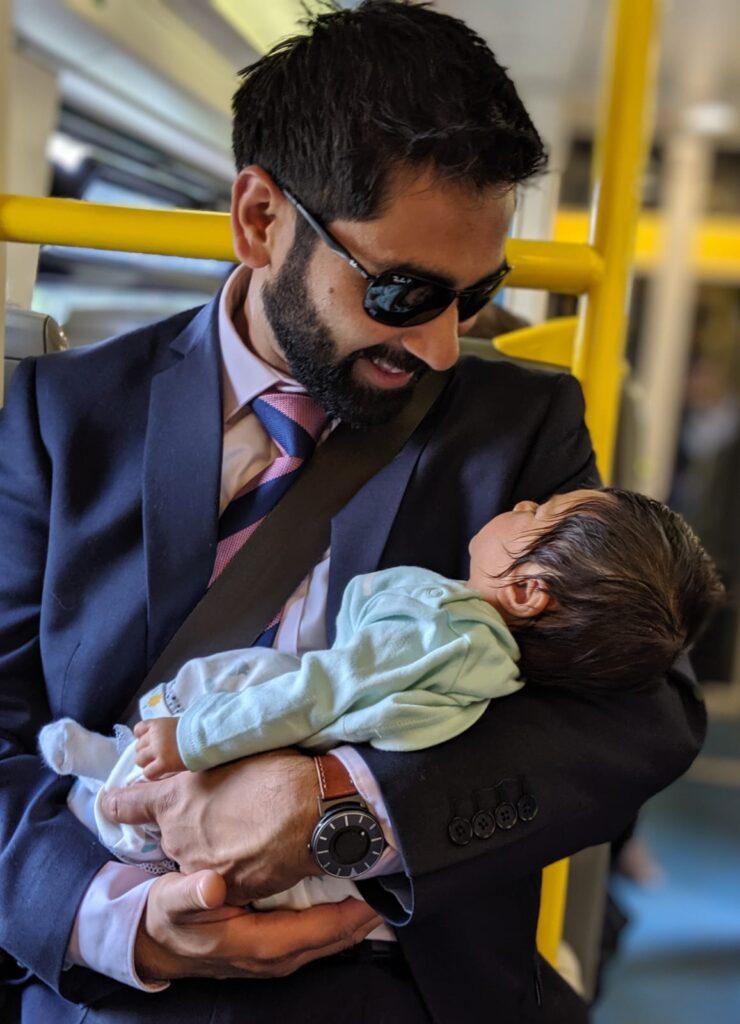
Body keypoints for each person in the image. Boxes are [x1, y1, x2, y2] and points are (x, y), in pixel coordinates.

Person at [0, 3, 708, 1022]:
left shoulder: (518, 422)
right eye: (402, 294)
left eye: (475, 296)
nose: (441, 347)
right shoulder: (63, 418)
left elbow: (646, 711)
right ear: (260, 220)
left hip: (398, 978)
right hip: (114, 977)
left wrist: (342, 806)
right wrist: (112, 918)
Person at [39, 487, 721, 893]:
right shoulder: (490, 661)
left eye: (536, 512)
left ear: (526, 591)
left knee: (224, 685)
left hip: (284, 728)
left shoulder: (435, 631)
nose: (522, 501)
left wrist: (194, 739)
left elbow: (321, 691)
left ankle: (112, 787)